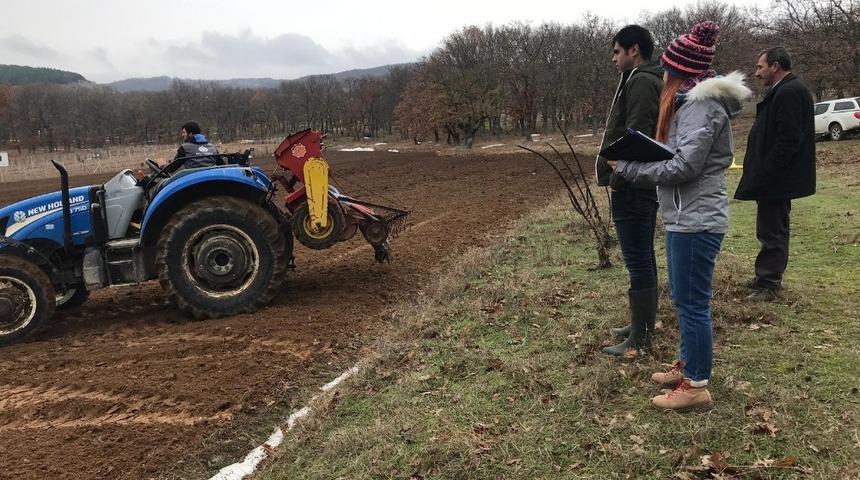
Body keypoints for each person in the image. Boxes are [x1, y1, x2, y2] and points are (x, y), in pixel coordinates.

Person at [610, 21, 752, 411]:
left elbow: (683, 167)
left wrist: (631, 169)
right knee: (684, 298)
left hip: (697, 220)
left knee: (692, 304)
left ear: (681, 72)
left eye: (669, 70)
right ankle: (689, 366)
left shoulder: (702, 108)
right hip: (684, 216)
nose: (664, 76)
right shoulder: (693, 106)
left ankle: (696, 386)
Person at [595, 25, 664, 357]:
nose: (614, 58)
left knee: (637, 259)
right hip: (635, 183)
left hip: (633, 185)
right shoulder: (641, 79)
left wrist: (620, 170)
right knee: (642, 256)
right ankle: (642, 323)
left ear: (633, 50)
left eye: (616, 51)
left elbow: (639, 133)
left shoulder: (640, 81)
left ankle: (641, 339)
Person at [734, 47, 816, 301]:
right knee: (769, 227)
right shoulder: (784, 90)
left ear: (775, 66)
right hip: (774, 177)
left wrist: (767, 171)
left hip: (777, 179)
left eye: (760, 67)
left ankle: (769, 283)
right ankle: (764, 277)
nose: (757, 73)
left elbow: (788, 139)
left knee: (773, 230)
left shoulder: (790, 92)